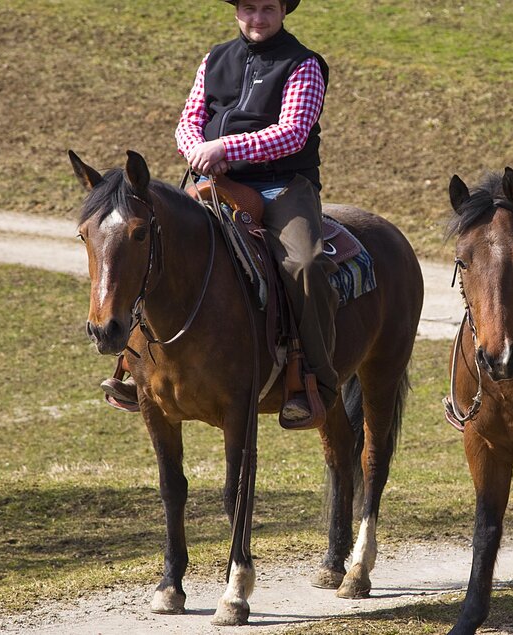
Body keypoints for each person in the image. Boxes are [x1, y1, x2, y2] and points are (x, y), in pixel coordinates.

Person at [103, 0, 337, 425]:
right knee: (153, 245)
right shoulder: (214, 58)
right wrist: (197, 149)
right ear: (236, 12)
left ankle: (315, 379)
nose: (258, 18)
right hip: (211, 182)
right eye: (249, 8)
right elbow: (189, 119)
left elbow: (293, 133)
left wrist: (225, 148)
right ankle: (132, 363)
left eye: (268, 8)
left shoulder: (304, 64)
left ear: (284, 11)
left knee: (305, 263)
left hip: (281, 186)